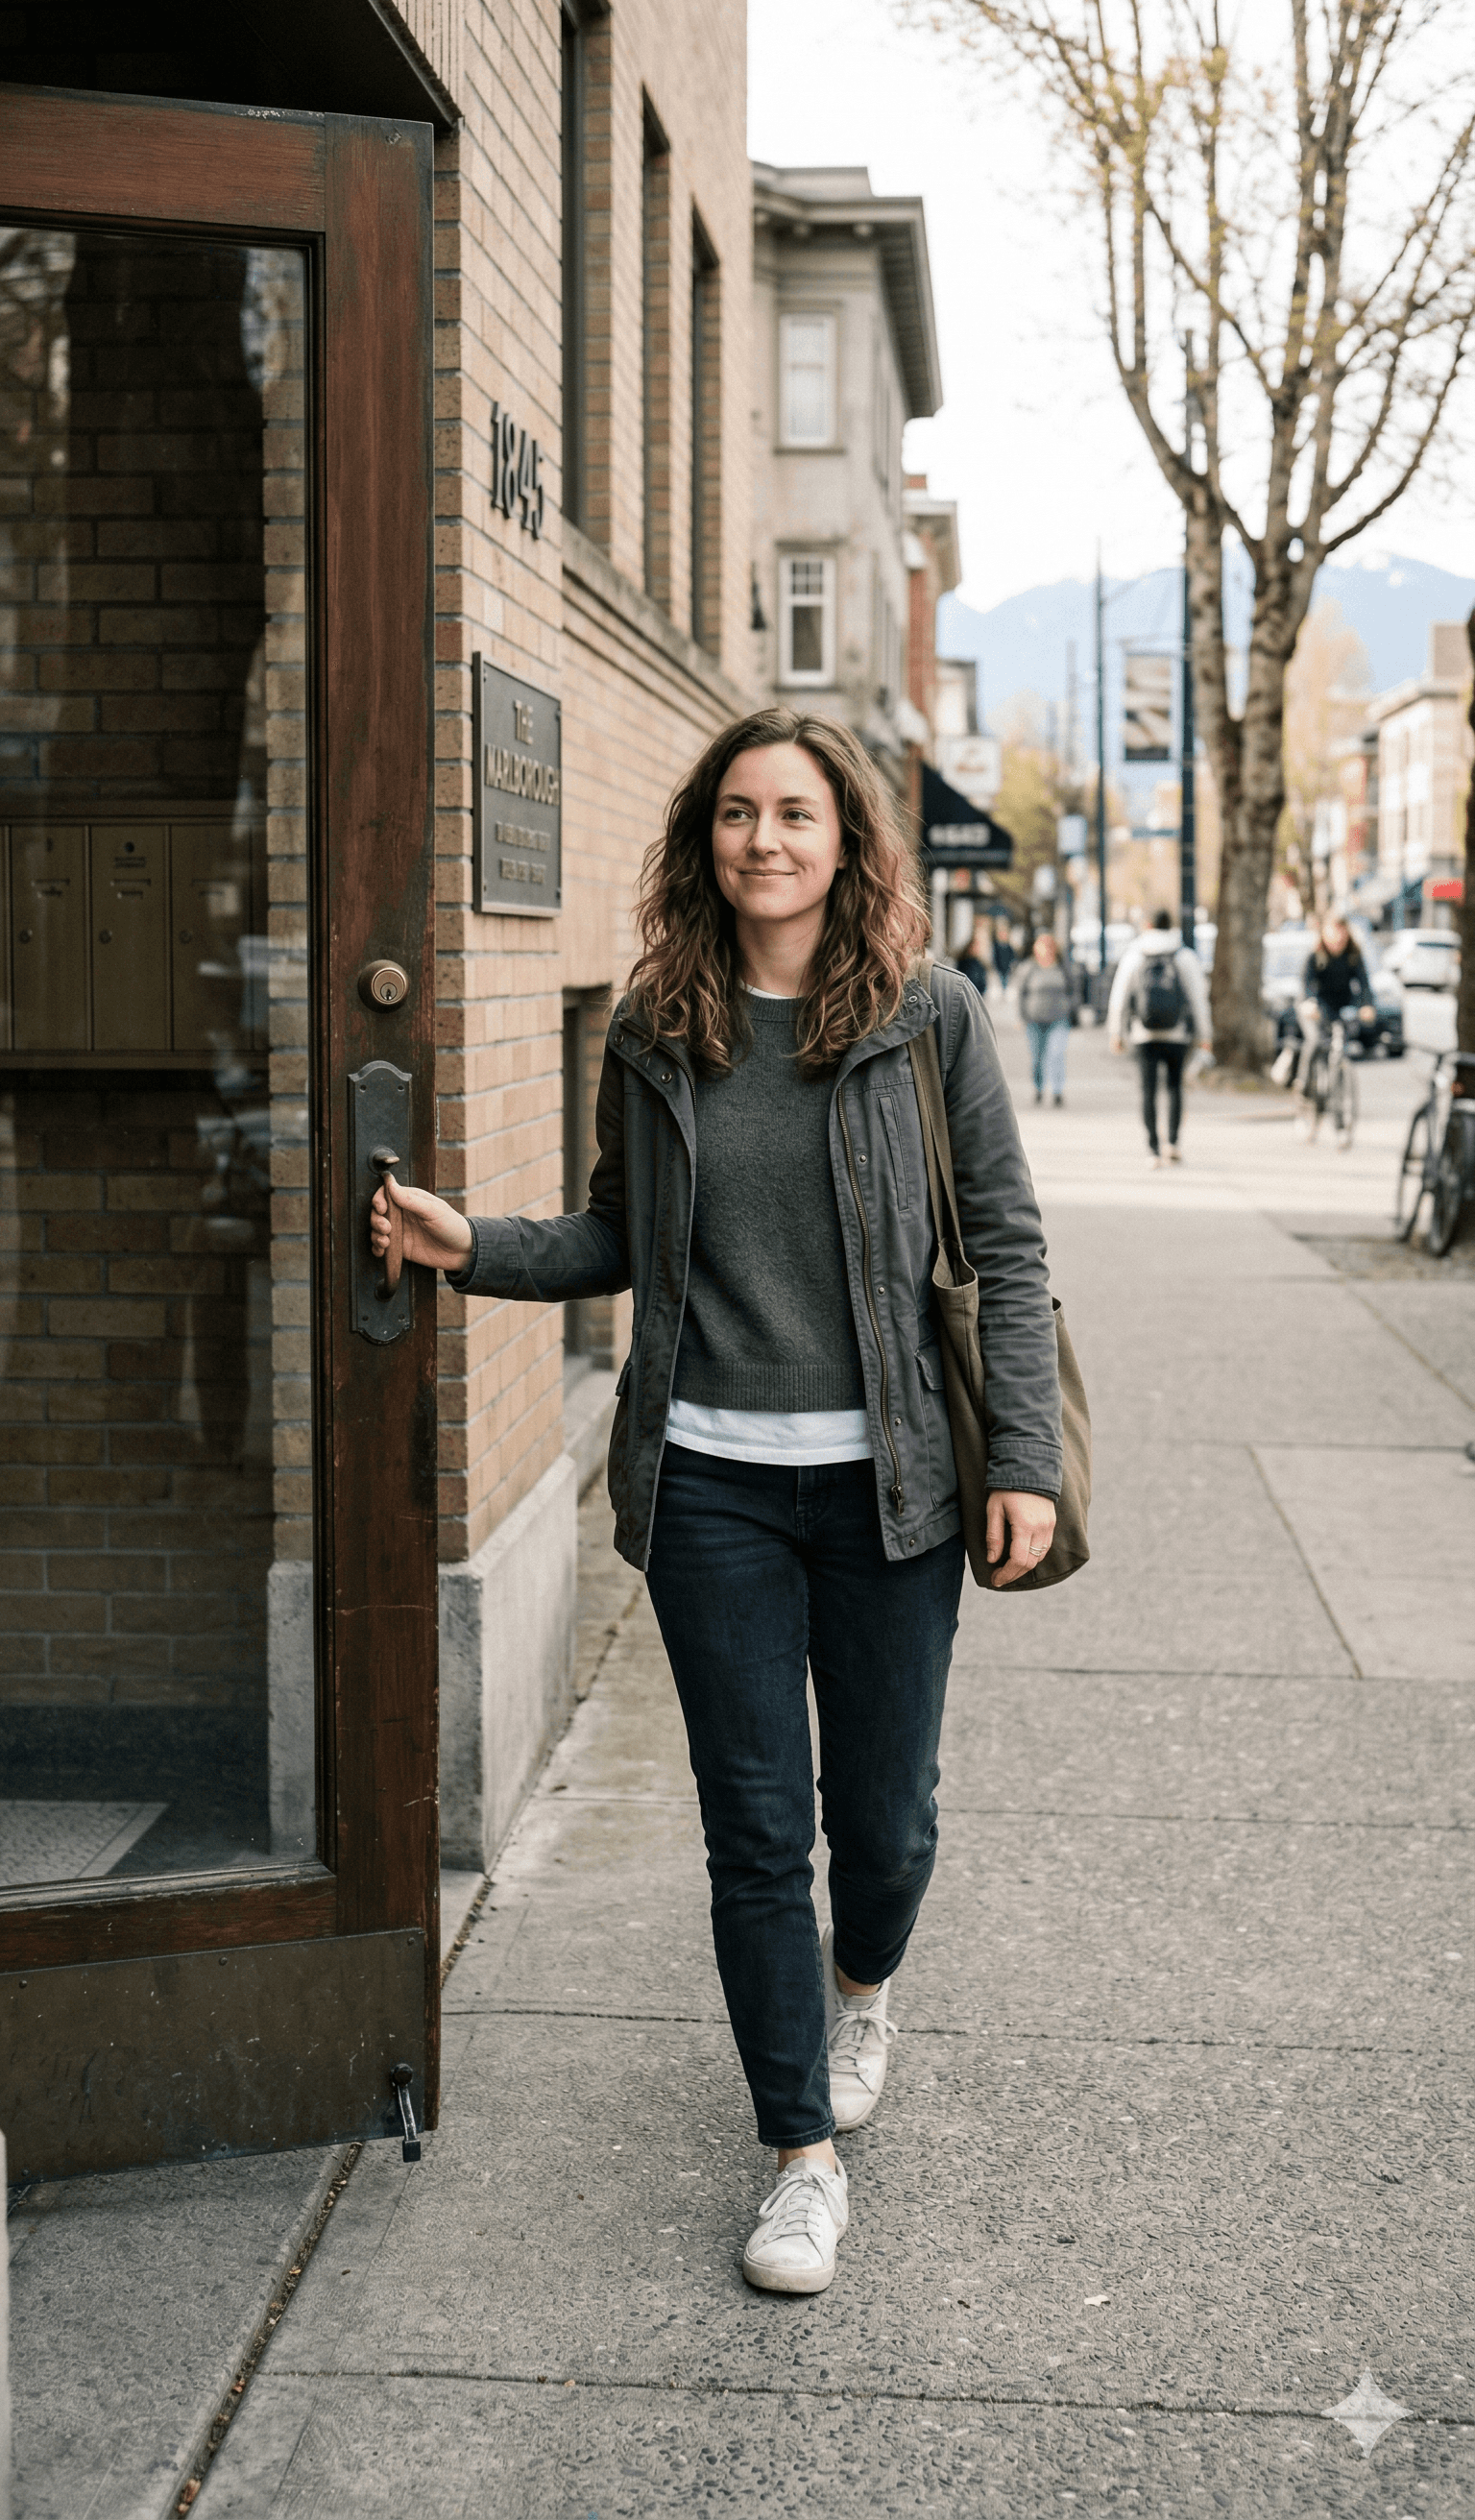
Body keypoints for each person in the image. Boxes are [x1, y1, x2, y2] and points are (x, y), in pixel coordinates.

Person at [371, 708, 1063, 2299]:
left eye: (796, 814)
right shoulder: (654, 1025)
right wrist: (471, 1241)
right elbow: (625, 1236)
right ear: (706, 837)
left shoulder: (927, 1016)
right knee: (757, 1832)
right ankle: (797, 2157)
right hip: (712, 1496)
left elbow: (1007, 1248)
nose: (765, 839)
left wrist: (1015, 1456)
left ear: (847, 842)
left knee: (879, 1828)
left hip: (896, 1490)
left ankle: (863, 1988)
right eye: (739, 813)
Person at [1107, 909, 1213, 1166]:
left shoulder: (1134, 954)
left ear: (1148, 924)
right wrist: (1205, 1035)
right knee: (1175, 1087)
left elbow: (1119, 997)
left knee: (1148, 1090)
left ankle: (1153, 1149)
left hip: (1143, 1033)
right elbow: (1199, 998)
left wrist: (1116, 1033)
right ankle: (1173, 1143)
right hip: (1177, 1033)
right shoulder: (1183, 956)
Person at [1274, 914, 1374, 1090]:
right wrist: (1309, 1002)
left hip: (1339, 1005)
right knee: (1315, 1040)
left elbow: (1364, 984)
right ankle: (1303, 1083)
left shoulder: (1352, 955)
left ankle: (1337, 1082)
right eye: (1334, 933)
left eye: (1341, 933)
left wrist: (1366, 1005)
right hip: (1315, 1005)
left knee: (1342, 1039)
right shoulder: (1315, 956)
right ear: (1325, 934)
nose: (1338, 939)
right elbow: (1306, 984)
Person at [1017, 930, 1073, 1105]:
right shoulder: (1028, 968)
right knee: (1037, 1057)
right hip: (1034, 1019)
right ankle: (1039, 1088)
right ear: (1036, 948)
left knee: (1056, 1054)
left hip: (1059, 1019)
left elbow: (1073, 990)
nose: (1047, 949)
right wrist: (1021, 1016)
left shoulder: (1062, 968)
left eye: (1050, 945)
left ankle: (1057, 1091)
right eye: (1043, 945)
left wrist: (1071, 1009)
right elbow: (1021, 993)